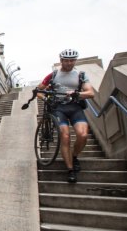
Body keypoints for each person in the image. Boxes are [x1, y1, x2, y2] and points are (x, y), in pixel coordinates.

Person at [37, 49, 94, 183]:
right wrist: (46, 99)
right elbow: (39, 90)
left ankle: (74, 156)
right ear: (61, 60)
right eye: (66, 60)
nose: (69, 63)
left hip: (75, 108)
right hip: (58, 109)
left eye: (72, 60)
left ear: (75, 61)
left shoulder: (81, 75)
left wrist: (77, 94)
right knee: (65, 136)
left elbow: (91, 92)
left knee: (83, 135)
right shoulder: (53, 75)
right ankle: (70, 170)